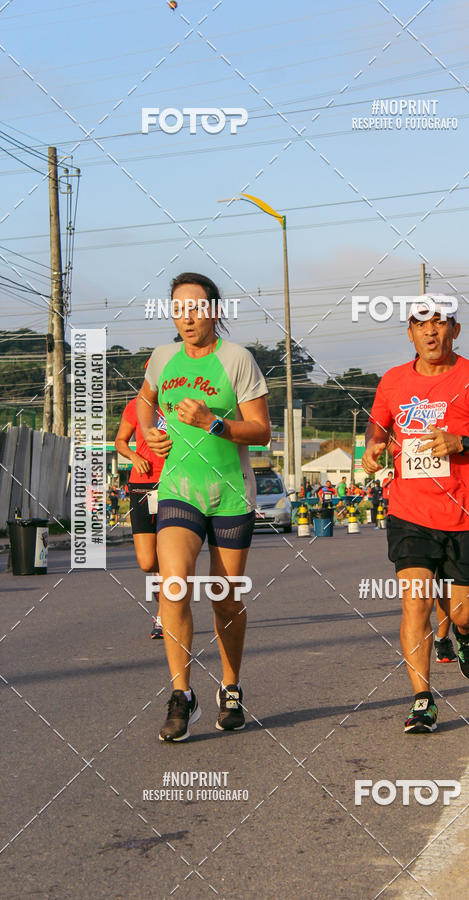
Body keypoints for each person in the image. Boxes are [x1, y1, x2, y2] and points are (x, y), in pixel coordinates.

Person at [137, 272, 270, 742]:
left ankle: (230, 687)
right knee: (173, 586)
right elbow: (145, 400)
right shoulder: (162, 358)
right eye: (178, 309)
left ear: (214, 311)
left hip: (230, 492)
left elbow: (261, 431)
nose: (186, 317)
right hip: (179, 489)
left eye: (195, 308)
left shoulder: (237, 360)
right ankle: (182, 695)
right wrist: (149, 432)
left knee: (225, 596)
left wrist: (214, 422)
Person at [363, 298, 469, 734]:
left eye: (439, 323)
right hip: (410, 511)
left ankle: (466, 634)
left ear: (455, 330)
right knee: (415, 603)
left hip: (465, 514)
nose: (431, 331)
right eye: (421, 324)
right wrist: (373, 447)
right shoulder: (393, 381)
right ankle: (422, 700)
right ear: (410, 333)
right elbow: (378, 427)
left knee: (460, 612)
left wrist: (462, 442)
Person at [114, 384, 166, 639]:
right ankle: (165, 576)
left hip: (174, 486)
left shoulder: (179, 404)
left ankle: (163, 617)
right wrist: (134, 457)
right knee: (147, 561)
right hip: (142, 486)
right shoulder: (136, 405)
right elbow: (120, 441)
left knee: (170, 555)